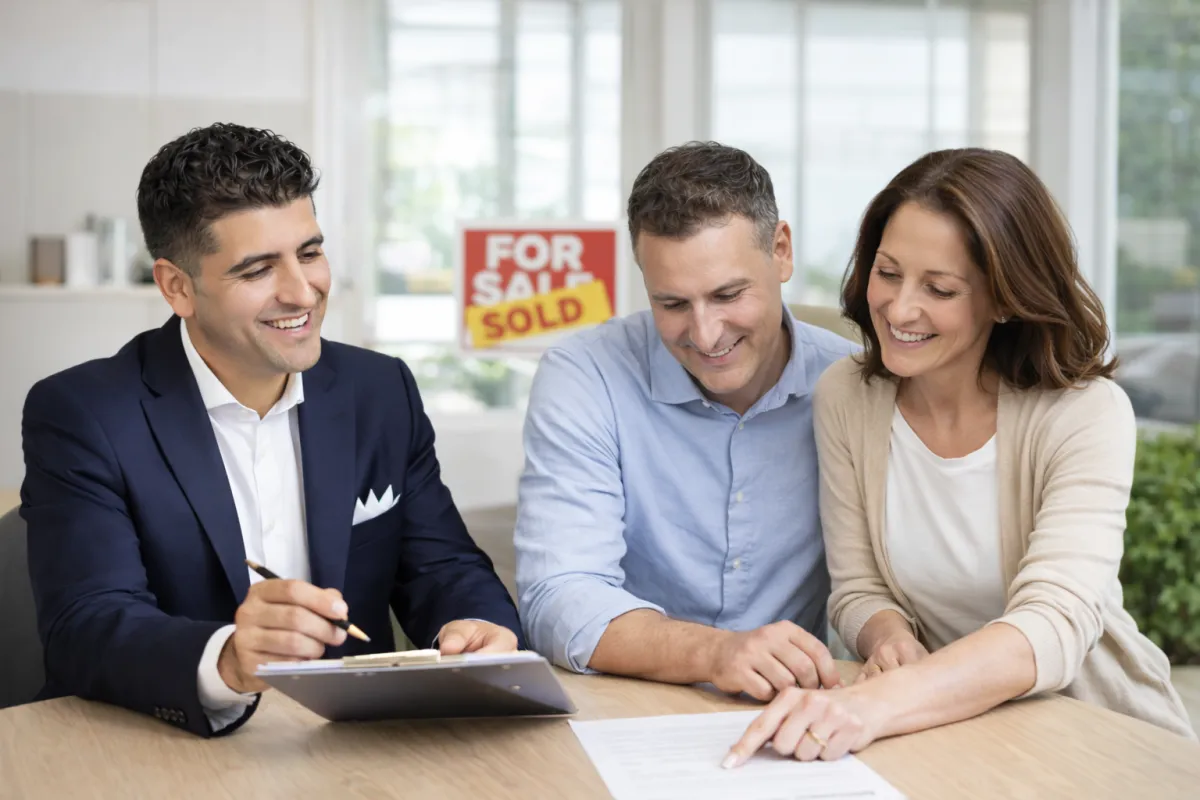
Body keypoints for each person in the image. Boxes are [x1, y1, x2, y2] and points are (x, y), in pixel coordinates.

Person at [21, 123, 522, 737]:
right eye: (258, 270)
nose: (302, 292)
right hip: (159, 743)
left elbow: (442, 566)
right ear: (178, 287)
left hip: (348, 745)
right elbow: (85, 624)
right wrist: (229, 660)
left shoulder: (380, 390)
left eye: (309, 253)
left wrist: (476, 626)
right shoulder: (83, 412)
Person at [724, 147, 1196, 769]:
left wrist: (879, 702)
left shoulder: (1085, 413)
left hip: (1101, 741)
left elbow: (1054, 621)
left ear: (1004, 299)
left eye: (939, 289)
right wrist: (888, 635)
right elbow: (858, 587)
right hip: (946, 737)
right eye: (888, 273)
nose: (899, 309)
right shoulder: (846, 396)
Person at [514, 142, 858, 699]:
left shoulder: (853, 383)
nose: (705, 334)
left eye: (728, 294)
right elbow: (559, 596)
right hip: (627, 701)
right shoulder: (585, 375)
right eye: (672, 304)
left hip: (798, 704)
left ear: (781, 251)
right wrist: (716, 652)